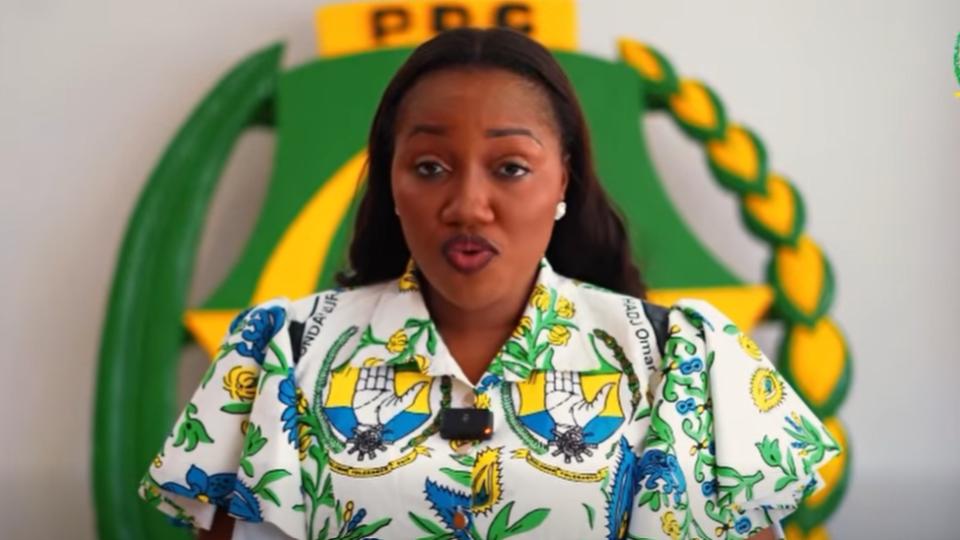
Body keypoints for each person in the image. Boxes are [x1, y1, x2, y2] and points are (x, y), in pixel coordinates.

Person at [139, 28, 840, 540]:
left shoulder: (679, 363)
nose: (468, 206)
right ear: (391, 182)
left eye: (510, 168)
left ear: (563, 179)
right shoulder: (284, 355)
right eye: (430, 167)